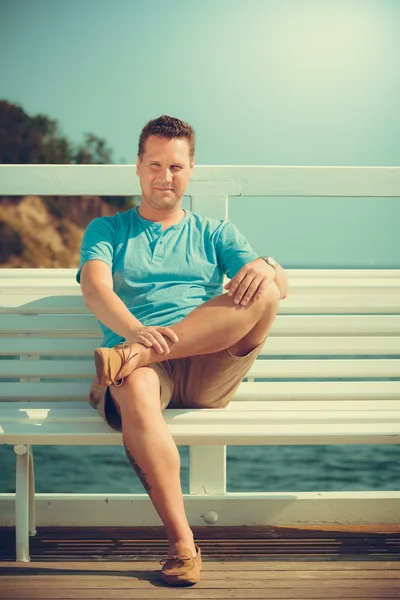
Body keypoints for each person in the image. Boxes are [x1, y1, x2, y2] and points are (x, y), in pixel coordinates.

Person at [76, 115, 288, 586]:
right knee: (134, 386)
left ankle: (132, 359)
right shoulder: (107, 229)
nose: (164, 176)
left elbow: (278, 289)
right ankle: (182, 545)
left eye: (175, 166)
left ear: (190, 169)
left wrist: (269, 265)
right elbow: (95, 289)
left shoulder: (216, 233)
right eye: (154, 164)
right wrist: (136, 333)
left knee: (267, 290)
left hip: (207, 364)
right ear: (137, 167)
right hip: (142, 365)